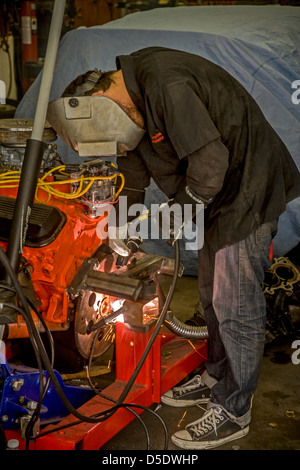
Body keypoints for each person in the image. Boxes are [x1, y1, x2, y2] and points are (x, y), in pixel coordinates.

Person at [58, 46, 300, 449]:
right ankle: (218, 376)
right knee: (210, 293)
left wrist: (177, 213)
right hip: (216, 196)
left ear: (99, 101)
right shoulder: (132, 107)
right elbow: (132, 176)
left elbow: (210, 162)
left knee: (235, 303)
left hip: (246, 188)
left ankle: (234, 409)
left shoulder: (166, 83)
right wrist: (123, 228)